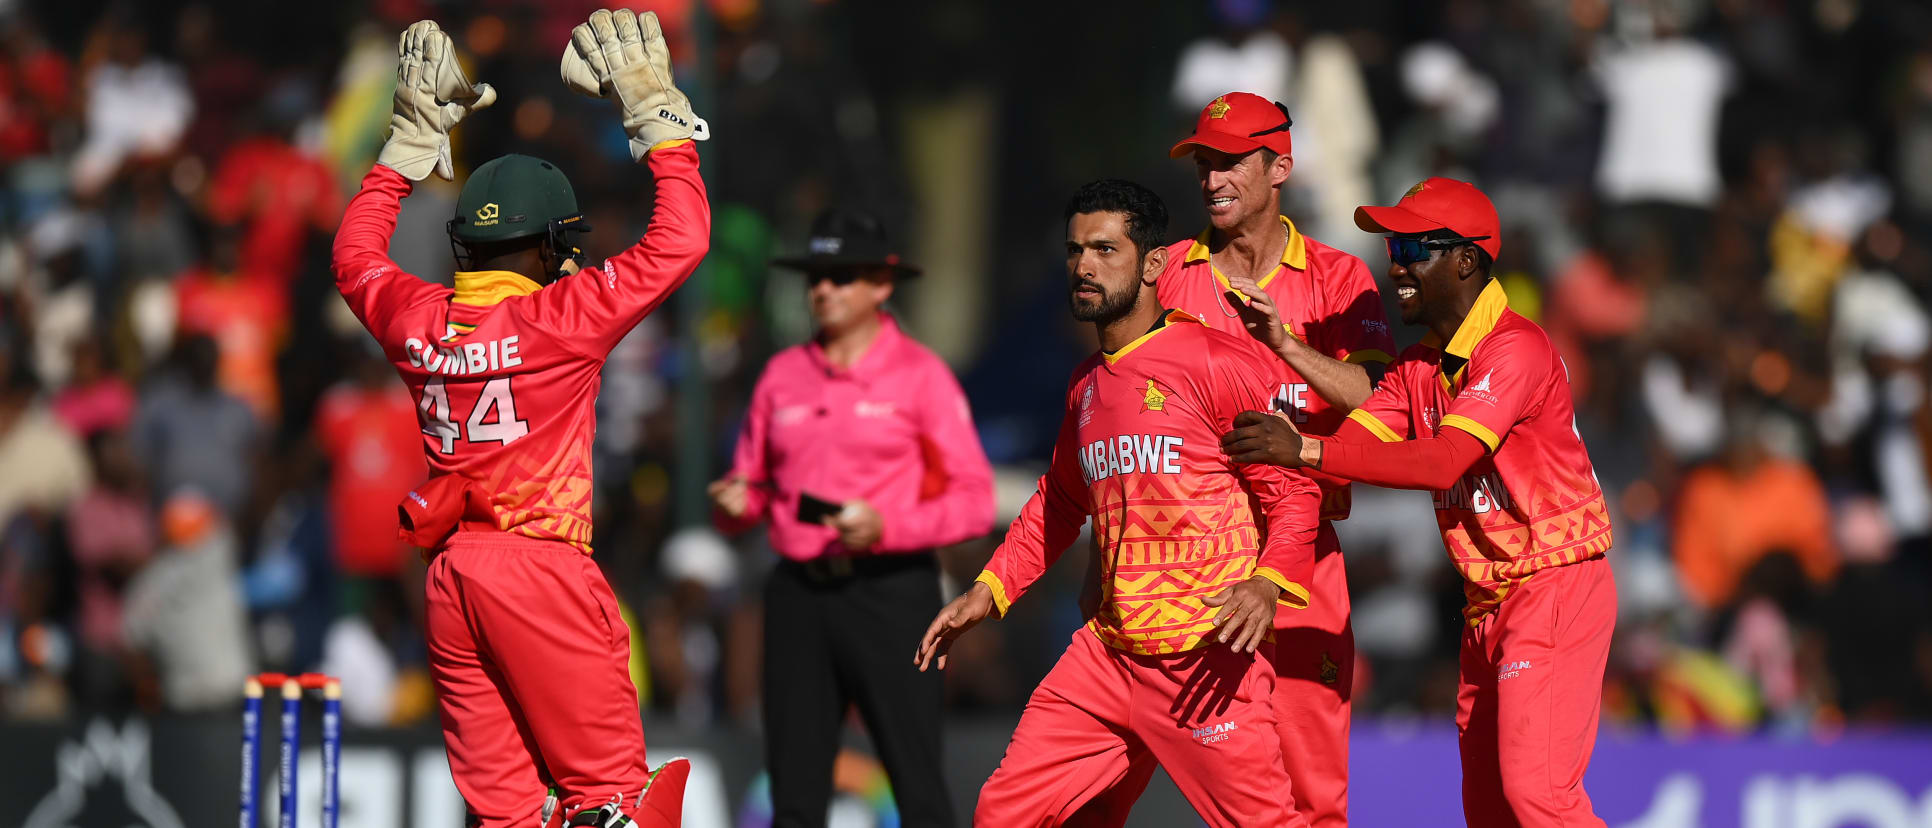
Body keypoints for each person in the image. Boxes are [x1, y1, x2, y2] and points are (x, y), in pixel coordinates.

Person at [332, 13, 709, 828]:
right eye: (563, 247)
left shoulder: (417, 321)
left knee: (508, 818)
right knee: (617, 806)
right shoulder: (561, 318)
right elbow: (682, 239)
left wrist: (402, 154)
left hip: (451, 580)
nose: (572, 260)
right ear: (542, 249)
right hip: (541, 572)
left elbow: (355, 258)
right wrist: (656, 114)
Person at [916, 179, 1320, 828]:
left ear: (1154, 263)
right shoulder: (1085, 387)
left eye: (1106, 250)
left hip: (1203, 659)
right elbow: (1059, 502)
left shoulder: (1216, 362)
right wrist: (989, 591)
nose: (1083, 266)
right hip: (1108, 658)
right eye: (1075, 251)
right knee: (1004, 813)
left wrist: (1269, 583)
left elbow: (1295, 493)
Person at [1221, 178, 1616, 827]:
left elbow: (1439, 462)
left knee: (1538, 799)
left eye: (1412, 247)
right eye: (1392, 245)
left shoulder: (1514, 348)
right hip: (1488, 600)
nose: (1396, 262)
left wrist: (1305, 452)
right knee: (1490, 810)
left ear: (1465, 260)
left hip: (1553, 586)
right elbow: (1349, 450)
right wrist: (1286, 352)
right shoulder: (1419, 370)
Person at [1090, 90, 1395, 827]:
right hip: (1184, 564)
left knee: (1311, 794)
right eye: (1203, 162)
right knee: (1123, 785)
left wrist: (1288, 347)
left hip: (1301, 565)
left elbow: (1380, 403)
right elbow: (1114, 411)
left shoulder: (1338, 277)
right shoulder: (1170, 278)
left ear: (1280, 166)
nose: (1212, 178)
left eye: (1230, 161)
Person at [707, 208, 996, 828]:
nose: (823, 290)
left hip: (891, 592)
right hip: (798, 593)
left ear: (882, 285)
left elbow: (974, 501)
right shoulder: (781, 377)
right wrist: (736, 506)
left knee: (919, 789)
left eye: (841, 276)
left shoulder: (922, 376)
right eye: (816, 277)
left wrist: (887, 527)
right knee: (794, 795)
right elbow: (751, 493)